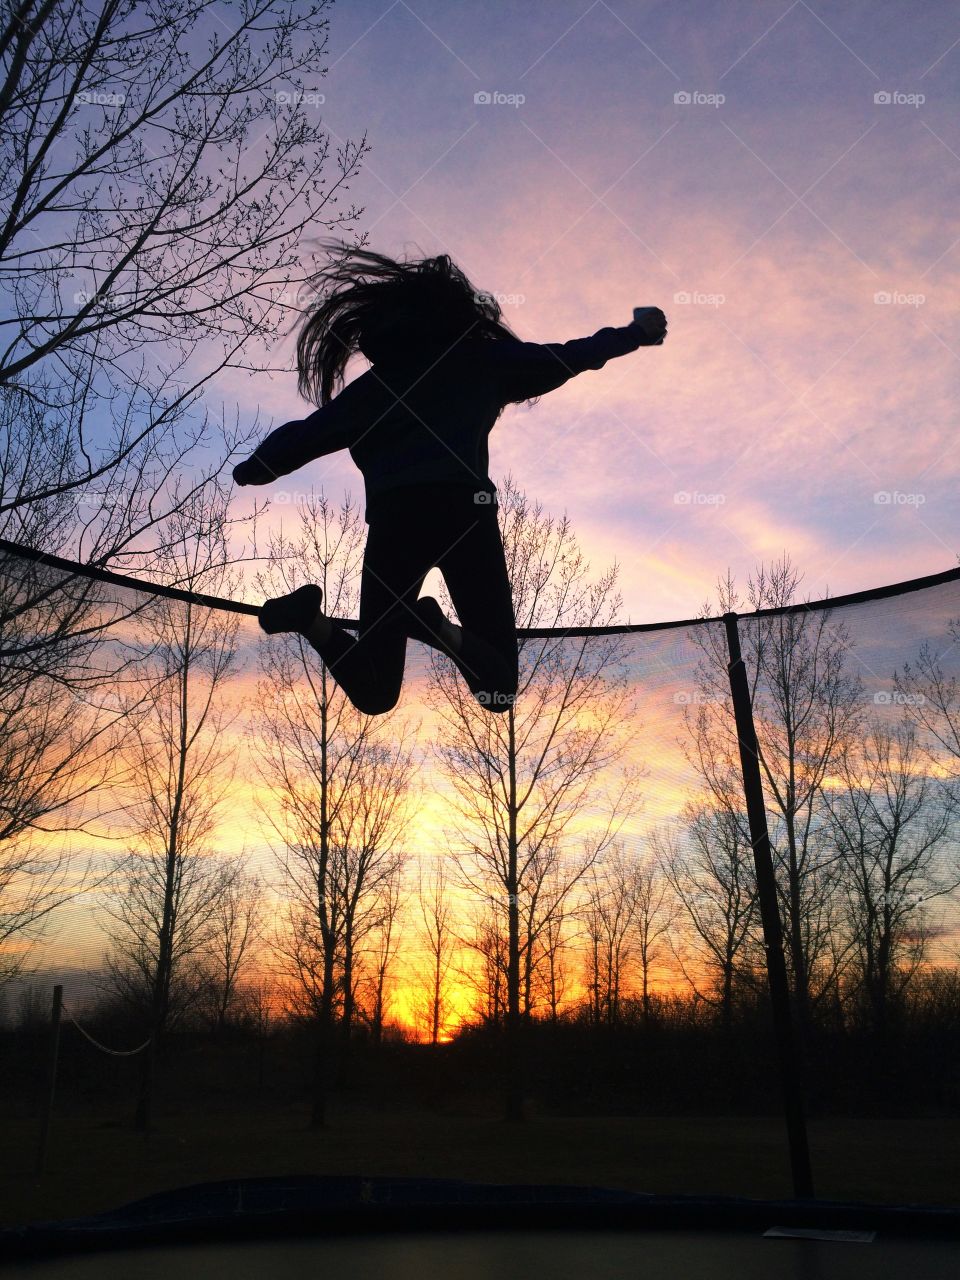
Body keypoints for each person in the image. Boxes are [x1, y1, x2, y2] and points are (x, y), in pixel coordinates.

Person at [233, 242, 667, 715]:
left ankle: (309, 620)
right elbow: (569, 356)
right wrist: (634, 333)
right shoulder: (481, 361)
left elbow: (307, 435)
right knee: (497, 688)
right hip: (465, 515)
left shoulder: (375, 388)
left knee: (376, 693)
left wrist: (258, 466)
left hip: (395, 525)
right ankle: (436, 628)